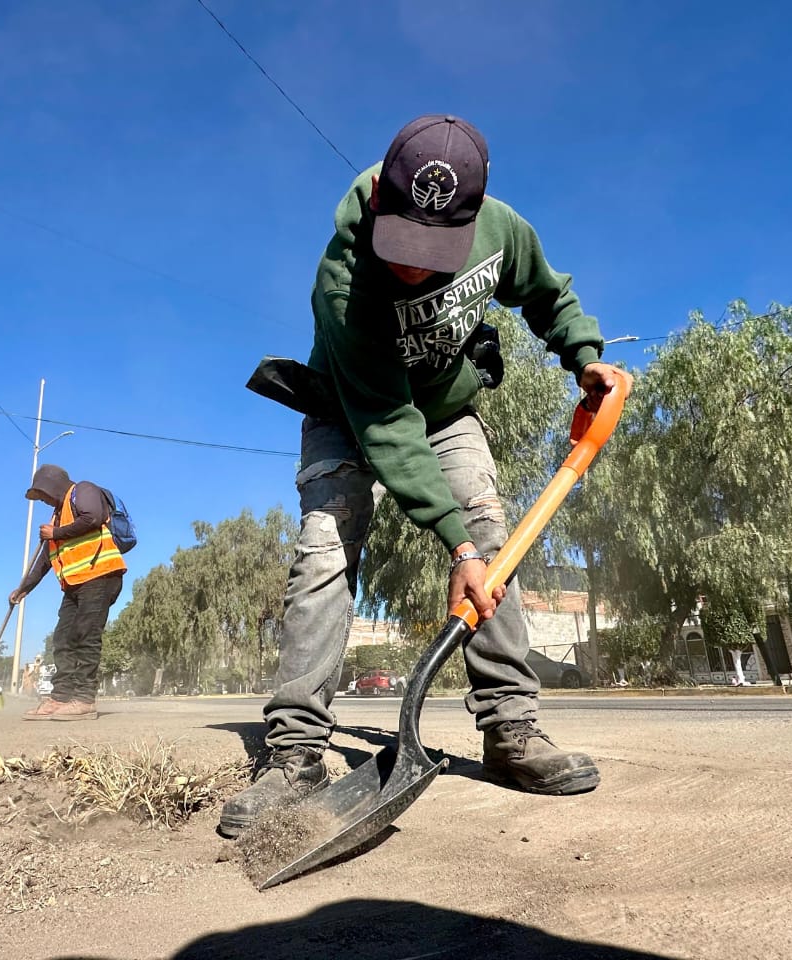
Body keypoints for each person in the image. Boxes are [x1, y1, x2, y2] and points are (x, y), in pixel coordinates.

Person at [221, 114, 631, 836]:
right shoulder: (344, 283)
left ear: (471, 221)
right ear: (381, 197)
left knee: (489, 533)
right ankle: (295, 754)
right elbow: (385, 424)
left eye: (431, 251)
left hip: (446, 409)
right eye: (401, 243)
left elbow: (547, 295)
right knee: (325, 550)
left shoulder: (502, 231)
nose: (411, 267)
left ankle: (510, 731)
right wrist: (454, 548)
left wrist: (583, 354)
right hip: (351, 408)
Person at [10, 464, 126, 721]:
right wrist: (23, 588)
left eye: (43, 494)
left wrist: (57, 532)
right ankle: (61, 697)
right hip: (75, 584)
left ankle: (84, 699)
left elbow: (93, 517)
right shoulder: (55, 517)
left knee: (86, 635)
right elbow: (44, 560)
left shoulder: (83, 490)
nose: (43, 500)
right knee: (63, 638)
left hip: (101, 575)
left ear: (52, 485)